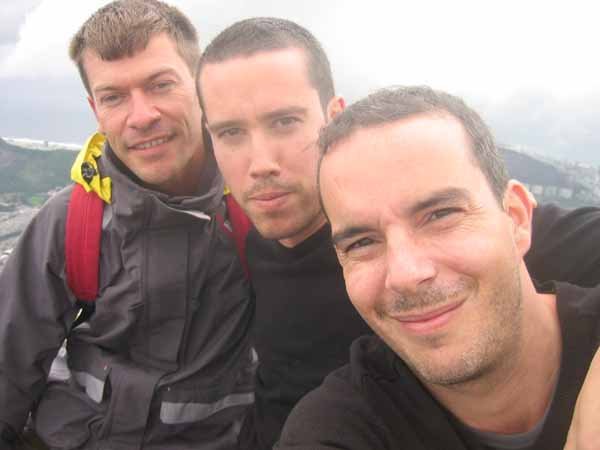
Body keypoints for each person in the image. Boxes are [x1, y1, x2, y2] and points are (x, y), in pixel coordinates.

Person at [197, 18, 600, 450]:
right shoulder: (234, 247)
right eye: (230, 132)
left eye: (284, 122)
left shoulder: (494, 227)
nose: (261, 162)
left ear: (333, 119)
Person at [277, 86, 600, 449]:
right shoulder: (338, 428)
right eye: (362, 242)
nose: (406, 275)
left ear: (516, 217)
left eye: (440, 215)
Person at [0, 1, 254, 449]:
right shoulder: (70, 222)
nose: (142, 116)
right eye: (114, 97)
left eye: (160, 85)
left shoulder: (258, 210)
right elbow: (8, 367)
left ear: (201, 85)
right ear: (95, 108)